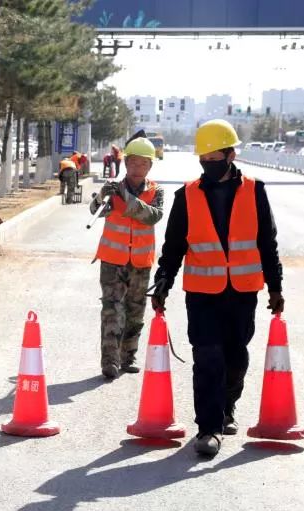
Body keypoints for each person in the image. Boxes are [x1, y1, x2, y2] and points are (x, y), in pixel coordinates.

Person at [151, 119, 283, 457]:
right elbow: (174, 245)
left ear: (231, 154)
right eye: (203, 159)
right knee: (207, 355)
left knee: (235, 355)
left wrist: (275, 287)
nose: (209, 164)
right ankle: (207, 428)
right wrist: (164, 280)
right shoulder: (188, 195)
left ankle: (227, 406)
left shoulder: (256, 191)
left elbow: (267, 242)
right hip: (202, 293)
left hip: (242, 292)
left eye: (215, 158)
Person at [90, 137, 164, 379]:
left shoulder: (156, 192)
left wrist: (125, 197)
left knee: (135, 312)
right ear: (126, 164)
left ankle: (127, 357)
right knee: (112, 310)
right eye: (133, 163)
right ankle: (109, 360)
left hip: (140, 264)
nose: (137, 169)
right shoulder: (113, 189)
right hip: (113, 262)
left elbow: (152, 216)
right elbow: (96, 210)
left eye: (143, 164)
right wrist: (102, 196)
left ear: (150, 167)